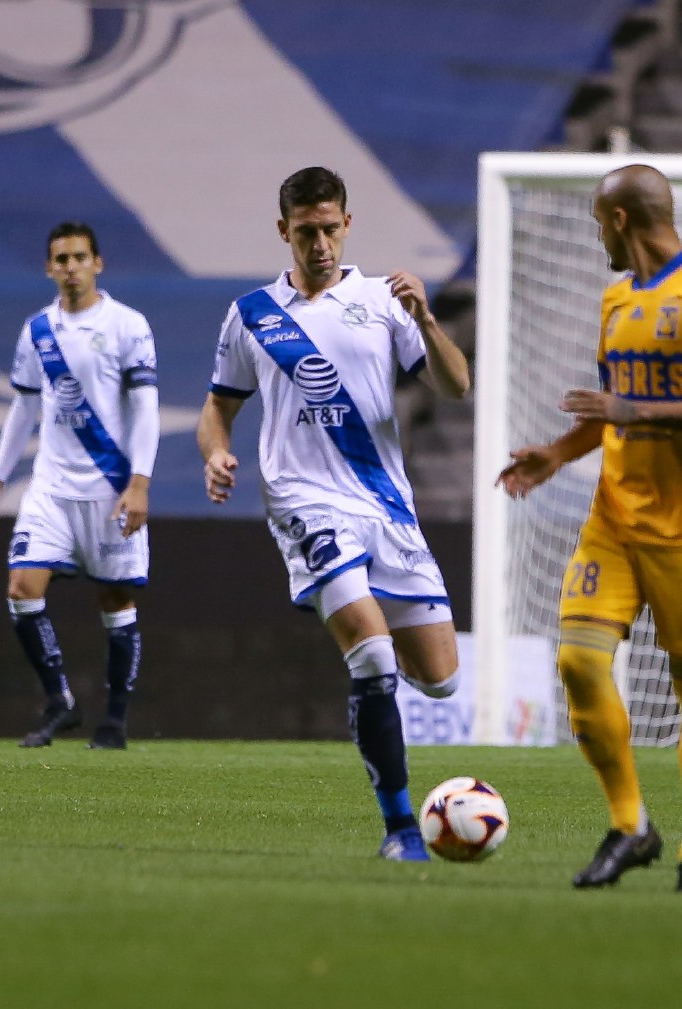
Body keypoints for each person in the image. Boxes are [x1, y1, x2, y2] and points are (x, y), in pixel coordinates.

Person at [497, 164, 682, 893]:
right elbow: (617, 404)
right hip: (613, 520)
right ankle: (630, 825)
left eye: (597, 223)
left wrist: (632, 414)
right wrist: (557, 451)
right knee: (579, 662)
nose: (597, 237)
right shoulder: (616, 298)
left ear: (618, 221)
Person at [196, 166, 470, 861]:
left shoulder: (382, 301)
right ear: (283, 230)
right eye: (305, 231)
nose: (319, 242)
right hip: (304, 505)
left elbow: (457, 385)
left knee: (441, 679)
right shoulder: (251, 315)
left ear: (348, 225)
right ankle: (401, 826)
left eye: (330, 228)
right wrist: (215, 453)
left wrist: (428, 320)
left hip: (384, 506)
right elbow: (216, 410)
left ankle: (372, 675)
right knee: (374, 657)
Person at [0, 221, 160, 750]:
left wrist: (140, 484)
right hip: (50, 489)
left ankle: (115, 722)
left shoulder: (129, 326)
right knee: (21, 590)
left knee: (116, 601)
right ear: (49, 268)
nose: (71, 266)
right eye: (62, 258)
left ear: (98, 263)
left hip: (111, 489)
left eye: (80, 257)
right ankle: (60, 701)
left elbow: (146, 408)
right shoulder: (37, 330)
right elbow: (24, 406)